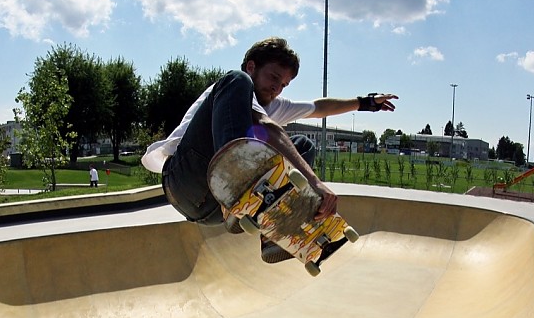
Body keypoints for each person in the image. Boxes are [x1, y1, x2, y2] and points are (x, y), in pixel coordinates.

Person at [142, 37, 396, 261]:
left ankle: (273, 232)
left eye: (284, 84)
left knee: (302, 147)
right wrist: (315, 183)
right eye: (274, 77)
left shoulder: (274, 102)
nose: (277, 88)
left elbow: (318, 108)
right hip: (184, 181)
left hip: (212, 210)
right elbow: (267, 126)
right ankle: (234, 184)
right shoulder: (237, 86)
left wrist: (366, 103)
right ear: (252, 66)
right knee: (238, 83)